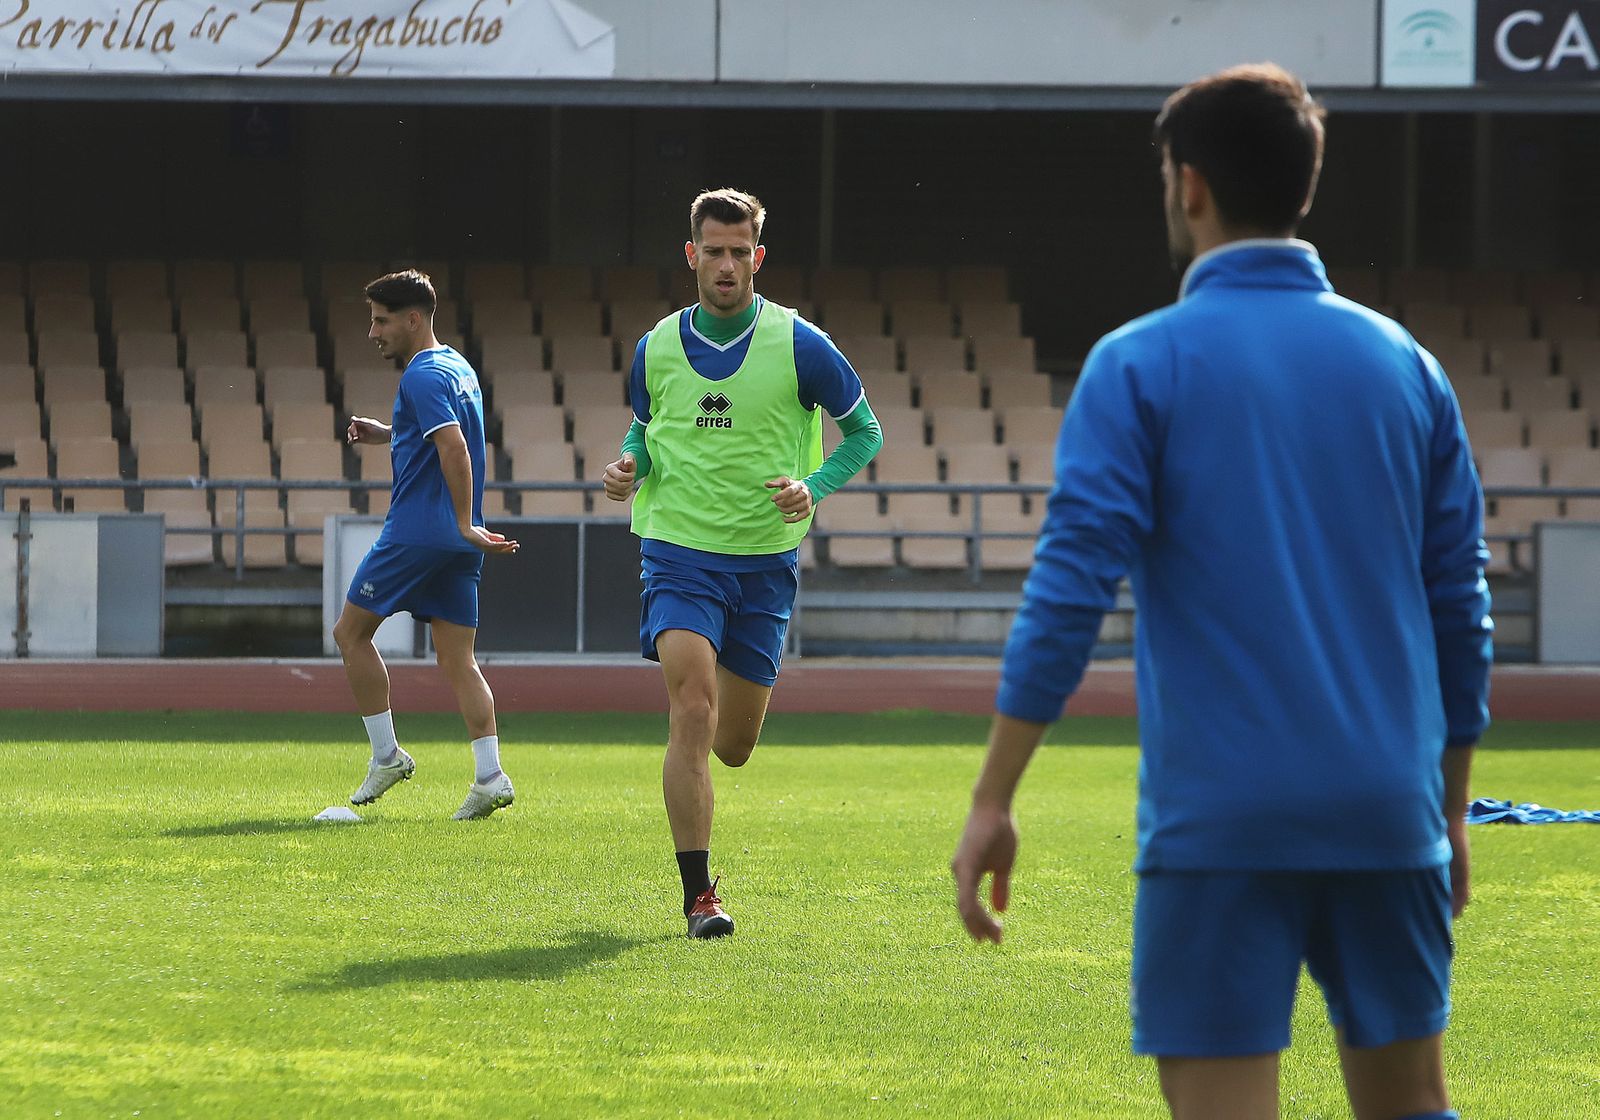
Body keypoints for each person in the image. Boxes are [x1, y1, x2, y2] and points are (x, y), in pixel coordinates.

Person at [950, 65, 1492, 1120]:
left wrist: (993, 796)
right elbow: (1459, 609)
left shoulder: (1136, 364)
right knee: (1412, 1103)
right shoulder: (1408, 367)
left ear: (1188, 184)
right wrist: (1452, 806)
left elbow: (1067, 596)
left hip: (1221, 824)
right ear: (1304, 182)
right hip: (1390, 814)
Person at [602, 188, 884, 938]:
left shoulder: (801, 344)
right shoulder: (656, 345)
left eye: (740, 252)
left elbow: (865, 432)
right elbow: (643, 429)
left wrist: (813, 485)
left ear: (758, 258)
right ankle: (700, 897)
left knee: (732, 745)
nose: (726, 265)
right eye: (713, 251)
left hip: (762, 564)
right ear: (691, 255)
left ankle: (712, 766)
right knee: (691, 706)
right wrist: (627, 465)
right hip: (677, 551)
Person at [335, 270, 522, 821]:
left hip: (418, 531)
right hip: (458, 541)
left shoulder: (419, 375)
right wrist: (387, 432)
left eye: (380, 319)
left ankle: (387, 756)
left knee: (350, 634)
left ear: (412, 318)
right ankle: (490, 776)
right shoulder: (458, 367)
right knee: (458, 658)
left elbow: (454, 447)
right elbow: (441, 433)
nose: (373, 331)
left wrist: (462, 522)